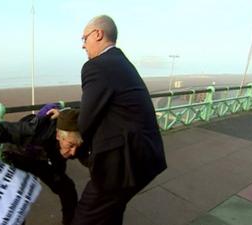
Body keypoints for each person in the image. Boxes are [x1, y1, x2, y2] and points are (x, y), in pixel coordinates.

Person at [72, 15, 167, 225]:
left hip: (124, 164)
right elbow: (104, 108)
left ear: (98, 34)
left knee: (85, 217)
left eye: (84, 38)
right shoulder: (120, 62)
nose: (83, 45)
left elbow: (85, 122)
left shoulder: (96, 66)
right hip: (146, 157)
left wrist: (71, 144)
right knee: (111, 214)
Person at [0, 105, 83, 225]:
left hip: (41, 159)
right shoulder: (35, 130)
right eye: (70, 145)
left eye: (77, 146)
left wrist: (65, 114)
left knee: (67, 188)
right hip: (16, 155)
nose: (73, 152)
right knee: (17, 198)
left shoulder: (75, 139)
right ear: (58, 135)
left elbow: (93, 110)